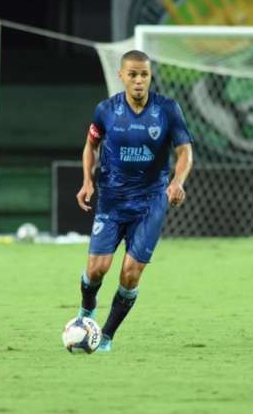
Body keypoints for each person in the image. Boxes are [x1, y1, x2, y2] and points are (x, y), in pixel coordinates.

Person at [75, 50, 194, 353]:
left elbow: (184, 151)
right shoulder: (106, 110)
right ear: (122, 76)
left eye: (144, 75)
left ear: (150, 76)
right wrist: (87, 180)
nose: (139, 80)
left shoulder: (167, 110)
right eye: (133, 74)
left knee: (130, 272)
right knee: (97, 269)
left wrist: (177, 182)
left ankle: (106, 336)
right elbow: (90, 146)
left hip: (150, 202)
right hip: (112, 201)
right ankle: (87, 312)